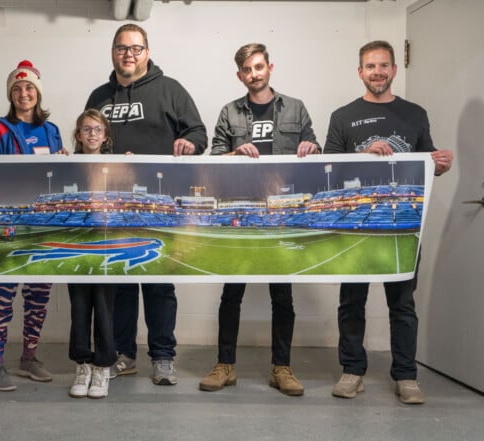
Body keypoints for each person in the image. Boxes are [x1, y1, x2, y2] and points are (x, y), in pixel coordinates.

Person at [324, 40, 453, 405]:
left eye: (383, 65)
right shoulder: (342, 116)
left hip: (403, 224)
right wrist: (363, 154)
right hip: (354, 226)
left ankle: (406, 376)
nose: (377, 71)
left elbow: (427, 164)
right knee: (351, 302)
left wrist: (439, 166)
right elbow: (327, 168)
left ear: (394, 70)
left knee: (402, 304)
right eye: (370, 66)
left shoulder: (415, 114)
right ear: (360, 72)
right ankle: (352, 371)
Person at [85, 23, 207, 385]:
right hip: (113, 206)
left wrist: (191, 144)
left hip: (159, 204)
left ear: (147, 52)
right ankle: (124, 354)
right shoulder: (99, 96)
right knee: (121, 283)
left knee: (159, 282)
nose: (129, 54)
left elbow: (198, 133)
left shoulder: (170, 90)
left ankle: (163, 357)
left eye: (136, 48)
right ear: (113, 52)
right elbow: (87, 140)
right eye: (122, 48)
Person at [199, 43, 320, 397]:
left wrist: (313, 149)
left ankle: (281, 368)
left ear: (270, 67)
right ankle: (225, 365)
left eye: (259, 67)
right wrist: (235, 153)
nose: (254, 74)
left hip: (282, 213)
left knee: (282, 297)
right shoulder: (229, 112)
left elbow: (314, 148)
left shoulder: (295, 108)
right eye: (247, 70)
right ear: (240, 75)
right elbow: (213, 160)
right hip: (242, 208)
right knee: (231, 295)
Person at [0, 60, 63, 391]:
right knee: (2, 294)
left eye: (29, 88)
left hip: (43, 226)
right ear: (10, 94)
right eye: (17, 88)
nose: (24, 93)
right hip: (8, 228)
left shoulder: (52, 131)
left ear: (38, 93)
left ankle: (29, 356)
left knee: (39, 294)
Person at [68, 109, 117, 399]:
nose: (92, 135)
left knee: (104, 304)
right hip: (80, 245)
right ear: (78, 135)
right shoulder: (70, 165)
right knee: (79, 305)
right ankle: (82, 363)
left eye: (97, 129)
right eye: (86, 129)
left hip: (106, 246)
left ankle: (103, 365)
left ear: (105, 135)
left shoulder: (115, 165)